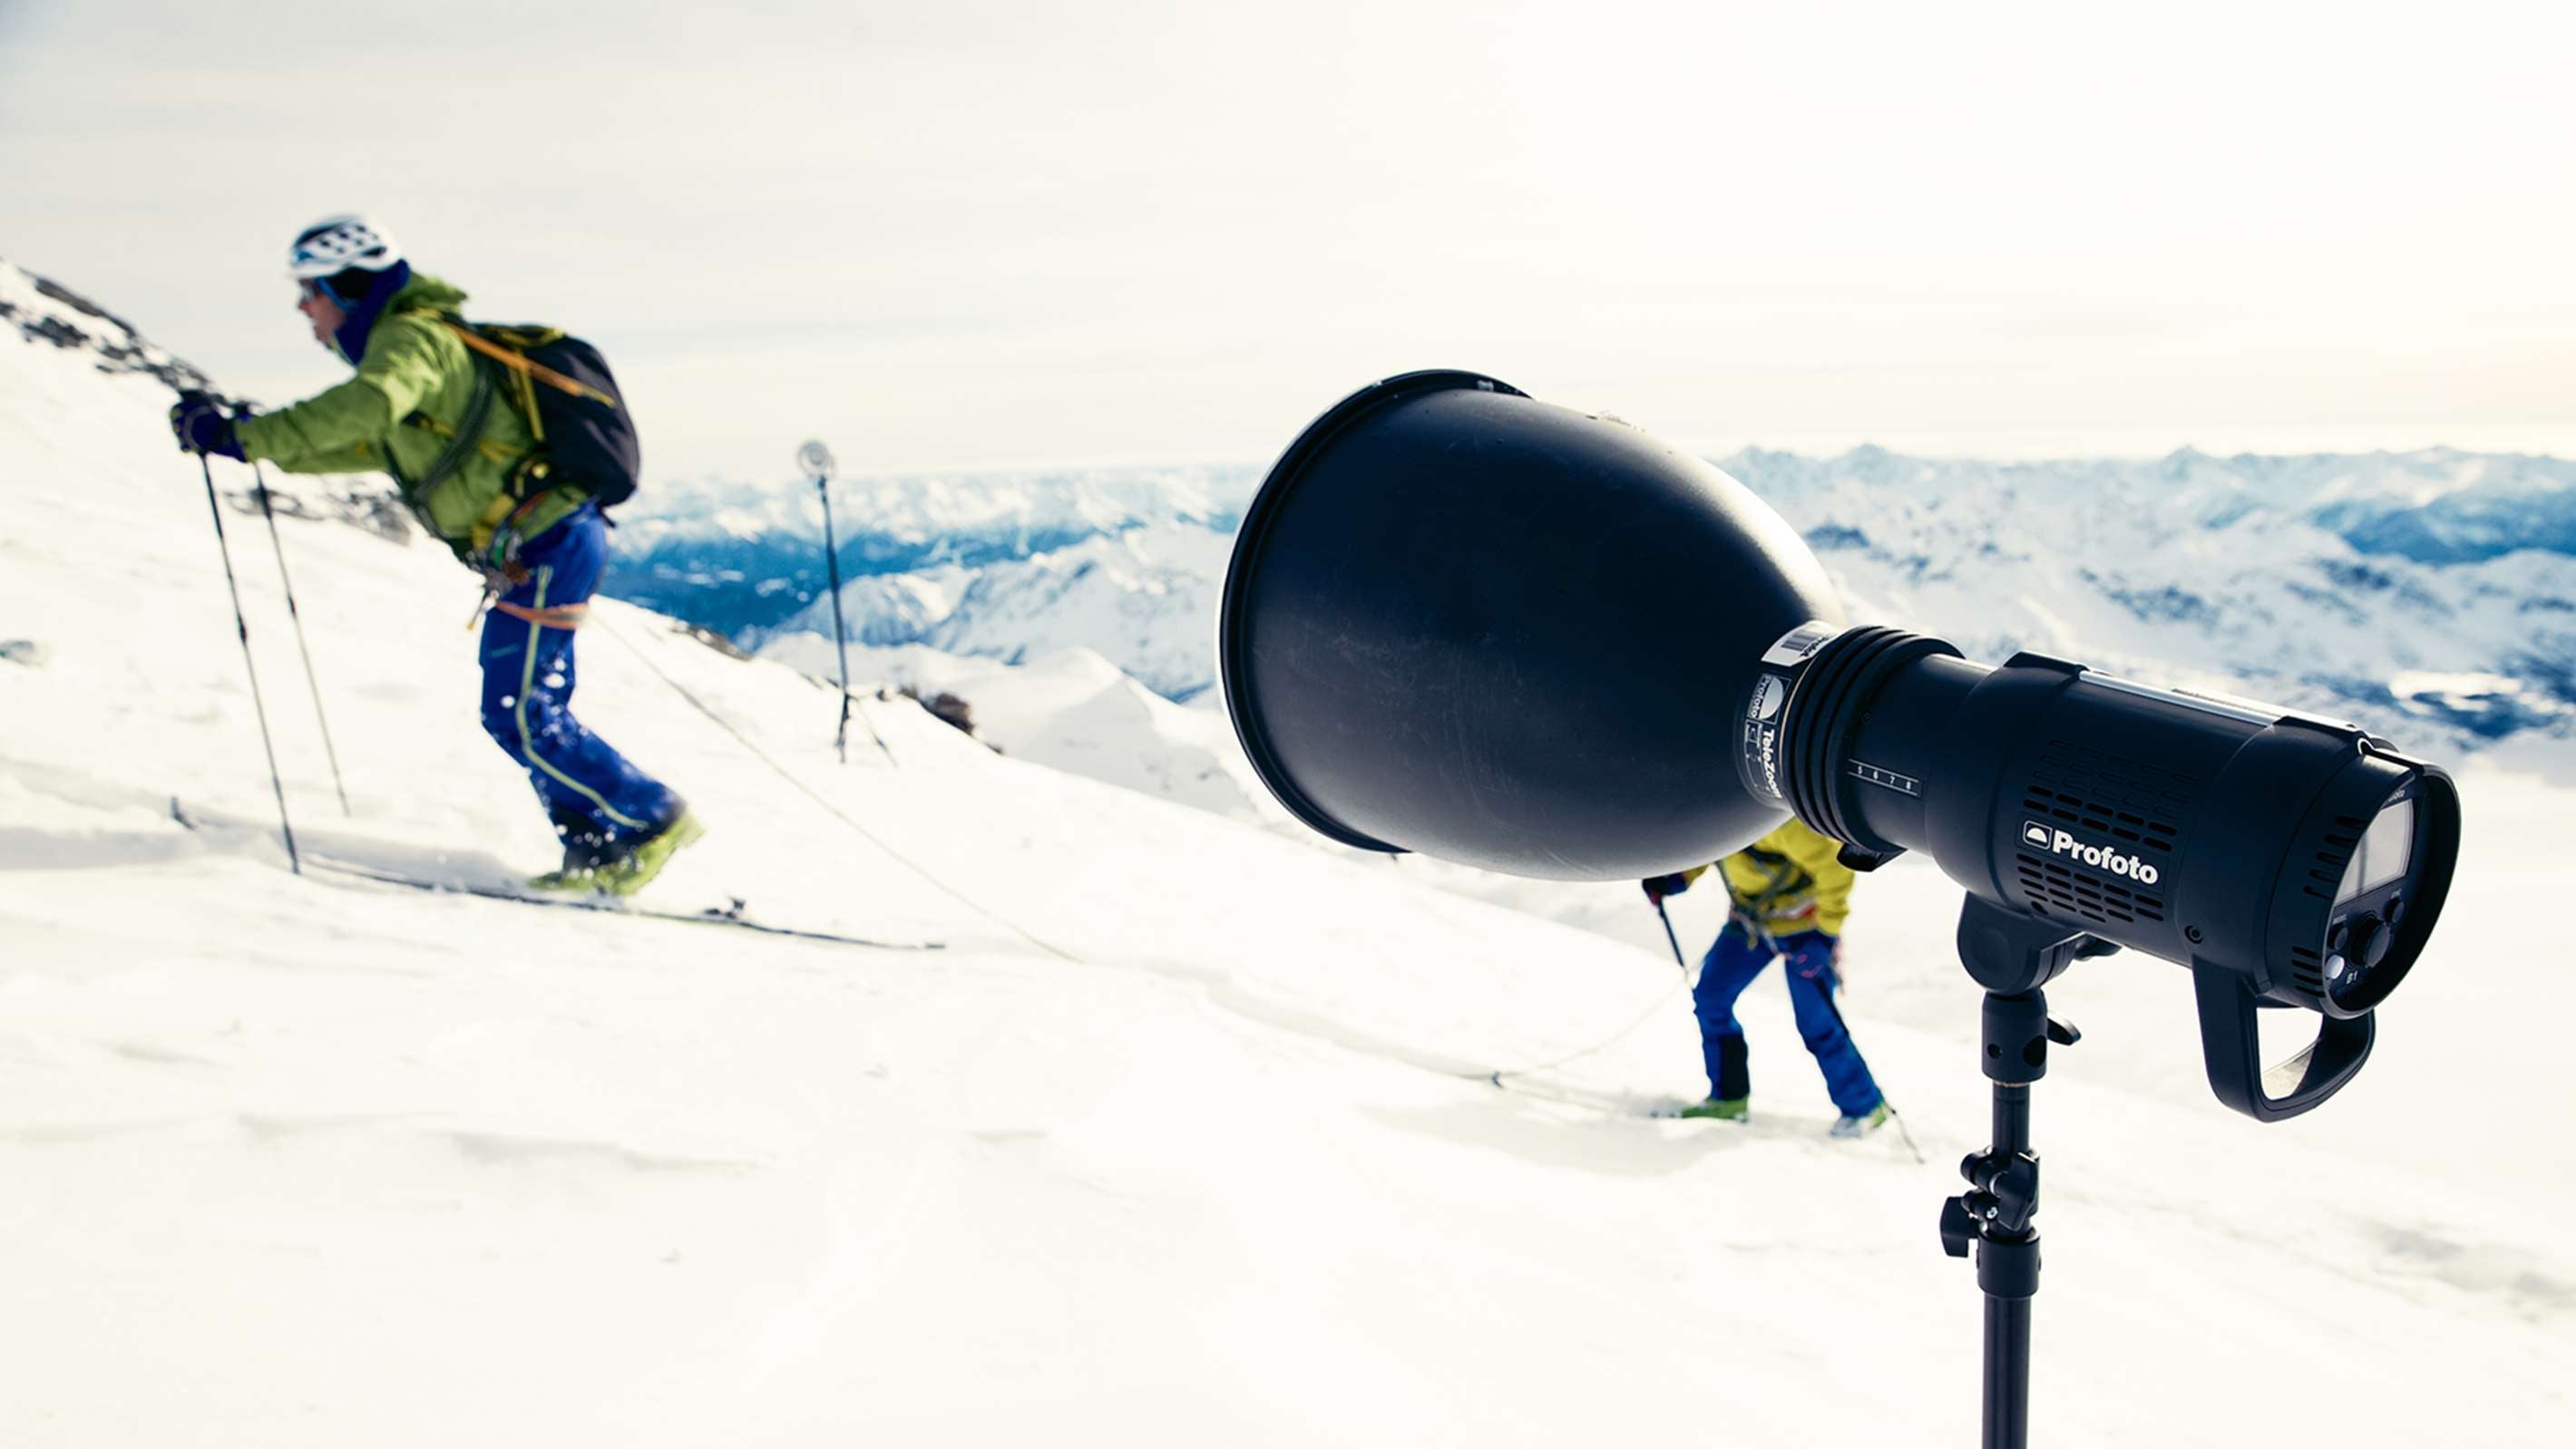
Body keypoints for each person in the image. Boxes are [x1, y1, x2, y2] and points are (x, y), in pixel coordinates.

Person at [166, 215, 701, 895]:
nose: (303, 306)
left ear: (349, 287)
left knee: (520, 712)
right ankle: (597, 845)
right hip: (539, 543)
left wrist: (249, 435)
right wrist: (240, 439)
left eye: (312, 290)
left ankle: (651, 820)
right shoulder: (416, 350)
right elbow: (358, 443)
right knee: (525, 709)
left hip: (547, 540)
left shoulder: (410, 339)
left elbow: (366, 408)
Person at [1643, 818, 1890, 1136]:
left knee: (1816, 1023)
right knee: (1711, 997)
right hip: (1751, 923)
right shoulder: (1722, 817)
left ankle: (1866, 1107)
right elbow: (1710, 849)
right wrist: (1677, 876)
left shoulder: (1779, 825)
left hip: (1806, 929)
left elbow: (1836, 870)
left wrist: (1826, 934)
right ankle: (1728, 1098)